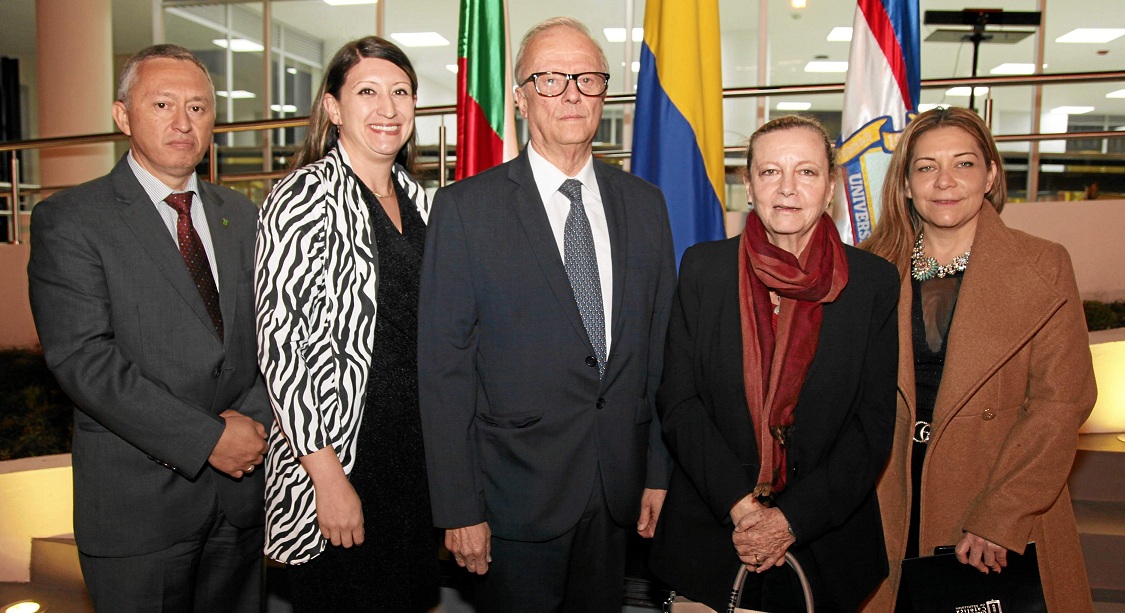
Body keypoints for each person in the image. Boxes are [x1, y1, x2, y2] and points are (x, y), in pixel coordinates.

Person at [417, 16, 676, 612]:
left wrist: (658, 472)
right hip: (513, 498)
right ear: (520, 97)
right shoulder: (464, 211)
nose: (572, 94)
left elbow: (661, 353)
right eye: (551, 79)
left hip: (618, 490)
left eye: (588, 79)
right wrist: (459, 509)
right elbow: (444, 372)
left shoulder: (645, 205)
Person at [26, 44, 270, 612]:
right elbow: (84, 361)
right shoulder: (71, 220)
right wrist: (208, 438)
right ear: (122, 116)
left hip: (240, 500)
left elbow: (275, 336)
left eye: (198, 107)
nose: (183, 122)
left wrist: (251, 424)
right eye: (162, 104)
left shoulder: (245, 217)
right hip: (139, 510)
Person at [649, 115, 899, 612]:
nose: (787, 188)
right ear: (749, 185)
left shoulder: (873, 283)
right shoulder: (703, 269)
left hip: (824, 541)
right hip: (711, 534)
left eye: (806, 172)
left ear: (829, 186)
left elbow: (871, 428)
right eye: (770, 172)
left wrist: (788, 521)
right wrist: (743, 510)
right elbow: (679, 403)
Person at [859, 106, 1097, 612]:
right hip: (888, 491)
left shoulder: (1043, 264)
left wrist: (1001, 514)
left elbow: (1062, 401)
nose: (944, 181)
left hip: (996, 487)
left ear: (990, 174)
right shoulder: (871, 267)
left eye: (963, 164)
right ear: (904, 183)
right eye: (925, 167)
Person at [254, 36, 439, 612]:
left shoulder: (422, 202)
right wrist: (326, 480)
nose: (388, 108)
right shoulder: (300, 198)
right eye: (367, 92)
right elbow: (282, 350)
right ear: (333, 108)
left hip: (415, 465)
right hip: (342, 466)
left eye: (400, 92)